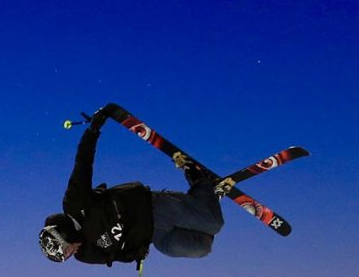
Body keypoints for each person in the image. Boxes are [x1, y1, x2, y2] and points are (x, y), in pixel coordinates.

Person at [39, 104, 226, 265]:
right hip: (154, 235)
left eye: (67, 249)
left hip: (153, 207)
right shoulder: (85, 255)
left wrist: (93, 131)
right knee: (202, 248)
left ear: (64, 234)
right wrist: (135, 255)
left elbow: (83, 164)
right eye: (67, 255)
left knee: (215, 223)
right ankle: (204, 203)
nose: (72, 252)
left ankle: (199, 181)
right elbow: (114, 256)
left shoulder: (75, 203)